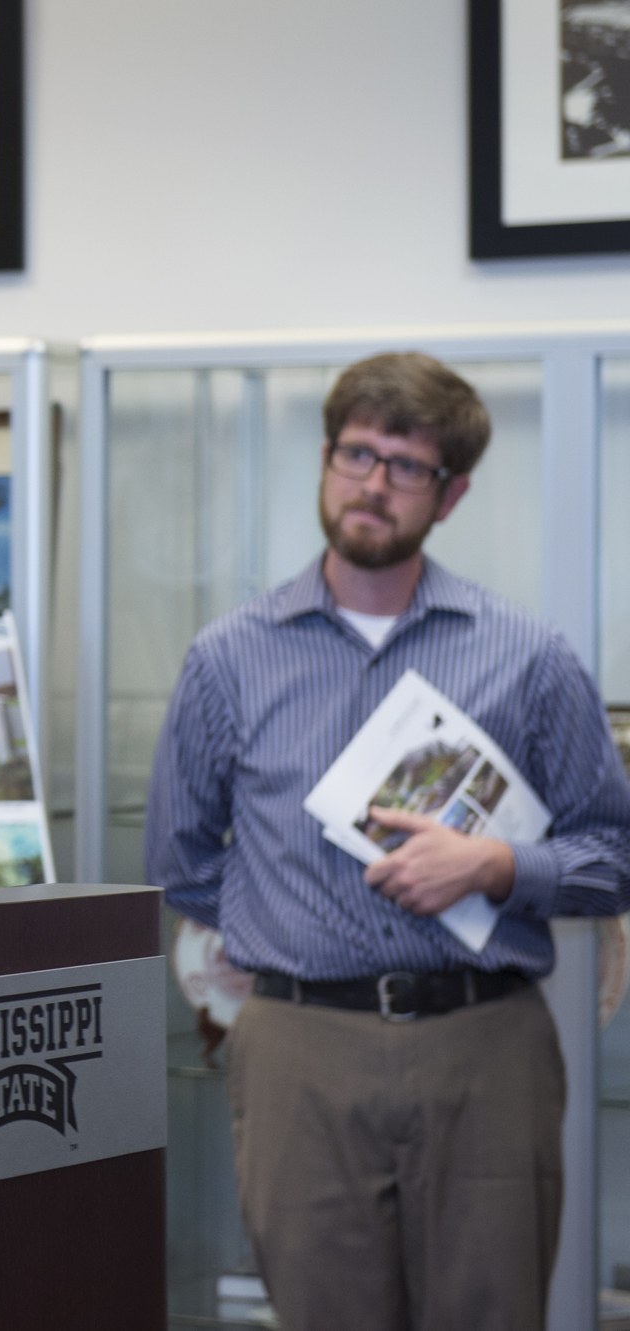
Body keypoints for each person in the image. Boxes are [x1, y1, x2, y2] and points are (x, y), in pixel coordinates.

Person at [145, 352, 630, 1331]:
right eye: (355, 453)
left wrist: (494, 865)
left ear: (448, 497)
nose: (371, 483)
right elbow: (179, 859)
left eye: (405, 466)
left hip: (483, 1045)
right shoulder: (226, 658)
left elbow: (610, 853)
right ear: (324, 459)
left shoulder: (526, 658)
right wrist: (280, 922)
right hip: (296, 1048)